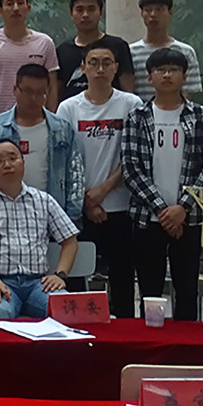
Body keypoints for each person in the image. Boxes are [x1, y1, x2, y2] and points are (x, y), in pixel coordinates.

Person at [122, 48, 203, 320]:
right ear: (149, 77)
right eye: (160, 70)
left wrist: (182, 208)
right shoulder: (137, 117)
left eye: (173, 70)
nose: (167, 75)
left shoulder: (201, 117)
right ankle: (150, 339)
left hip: (188, 218)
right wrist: (163, 211)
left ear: (184, 76)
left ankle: (186, 342)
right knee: (149, 291)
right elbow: (130, 168)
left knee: (187, 289)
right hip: (147, 218)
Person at [55, 38, 141, 315]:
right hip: (80, 208)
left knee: (122, 275)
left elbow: (135, 155)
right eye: (93, 63)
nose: (100, 69)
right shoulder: (68, 108)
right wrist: (86, 200)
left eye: (106, 63)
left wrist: (103, 190)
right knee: (77, 276)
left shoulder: (131, 104)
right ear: (83, 68)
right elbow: (65, 159)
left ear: (116, 67)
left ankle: (125, 328)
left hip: (120, 205)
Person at [0, 140, 80, 319]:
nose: (7, 165)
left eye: (13, 158)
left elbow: (70, 241)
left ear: (23, 163)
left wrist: (60, 275)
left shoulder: (43, 200)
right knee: (1, 311)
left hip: (38, 283)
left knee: (65, 309)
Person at [0, 63, 85, 225]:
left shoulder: (62, 129)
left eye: (41, 93)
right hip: (5, 215)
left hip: (53, 215)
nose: (34, 98)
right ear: (15, 89)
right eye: (28, 91)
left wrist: (71, 217)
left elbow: (75, 174)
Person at [55, 0, 137, 99]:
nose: (85, 15)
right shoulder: (62, 50)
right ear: (71, 14)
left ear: (101, 12)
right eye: (79, 10)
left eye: (91, 9)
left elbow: (128, 88)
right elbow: (57, 91)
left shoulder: (118, 46)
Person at [128, 0, 203, 103]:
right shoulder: (131, 52)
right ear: (142, 14)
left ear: (170, 13)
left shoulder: (186, 51)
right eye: (148, 10)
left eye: (159, 9)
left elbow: (189, 91)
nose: (153, 14)